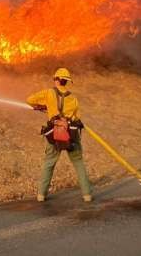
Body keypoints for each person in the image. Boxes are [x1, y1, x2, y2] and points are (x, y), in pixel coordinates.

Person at [26, 67, 93, 202]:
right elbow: (76, 117)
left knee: (49, 163)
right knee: (79, 163)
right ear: (66, 82)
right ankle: (87, 195)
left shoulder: (49, 92)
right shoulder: (73, 98)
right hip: (71, 135)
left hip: (55, 135)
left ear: (56, 80)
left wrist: (45, 107)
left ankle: (41, 195)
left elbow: (30, 100)